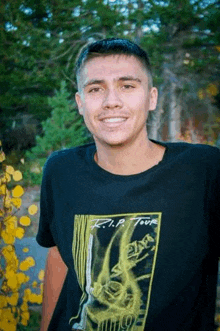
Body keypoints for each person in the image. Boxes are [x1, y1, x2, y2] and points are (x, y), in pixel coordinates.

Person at [36, 38, 220, 331]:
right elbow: (59, 254)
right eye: (96, 89)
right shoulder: (61, 170)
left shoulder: (204, 171)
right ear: (80, 103)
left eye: (127, 86)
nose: (111, 101)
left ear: (152, 98)